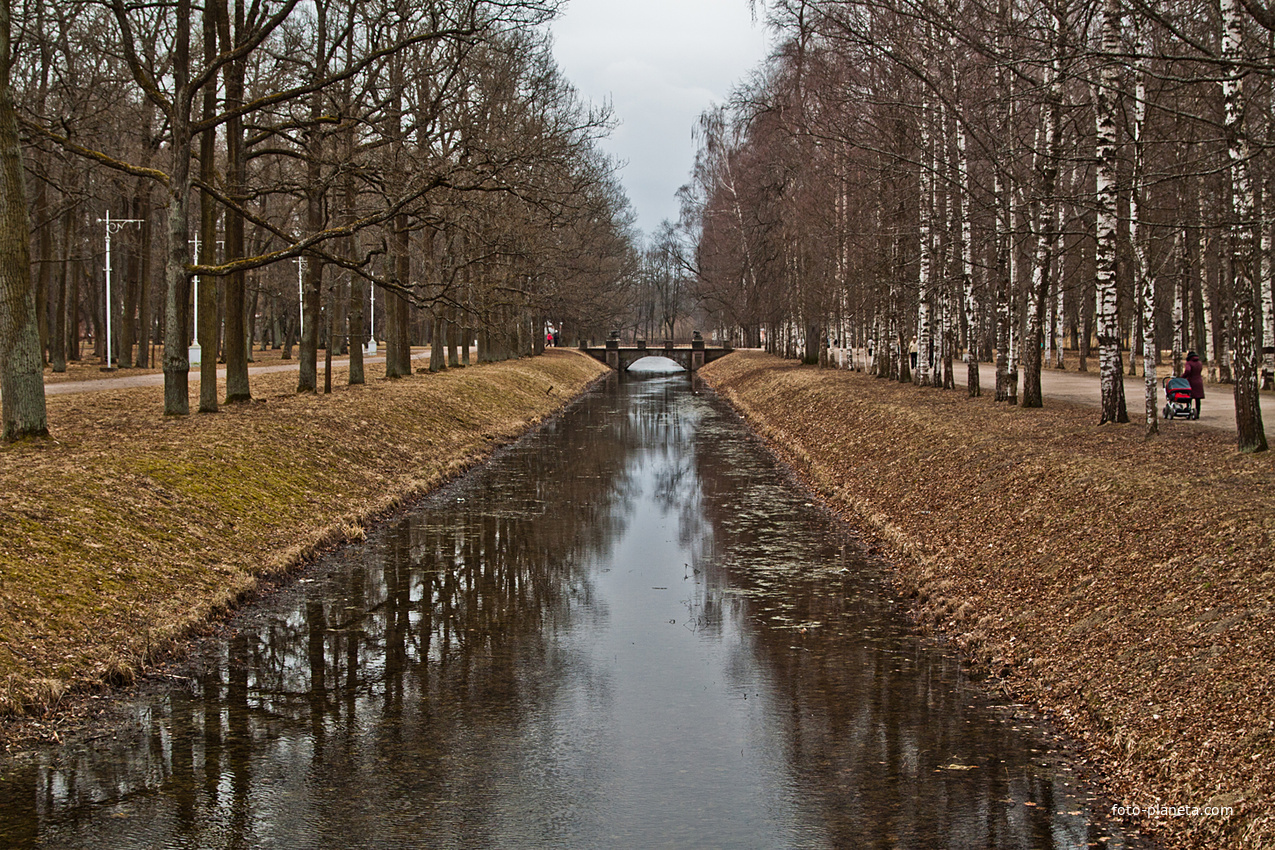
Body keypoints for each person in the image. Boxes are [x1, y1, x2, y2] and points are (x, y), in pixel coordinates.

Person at [1182, 351, 1204, 418]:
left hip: (1191, 382)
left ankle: (1188, 412)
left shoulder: (1189, 363)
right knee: (1198, 399)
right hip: (1199, 381)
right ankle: (1197, 413)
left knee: (1189, 397)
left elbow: (1188, 370)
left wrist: (1183, 377)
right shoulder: (1199, 363)